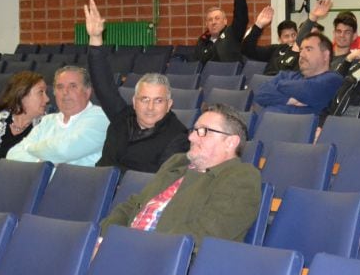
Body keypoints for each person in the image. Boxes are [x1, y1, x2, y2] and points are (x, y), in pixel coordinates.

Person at [101, 104, 261, 249]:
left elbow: (205, 233)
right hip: (124, 247)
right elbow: (133, 205)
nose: (191, 137)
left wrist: (136, 245)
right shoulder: (177, 163)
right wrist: (103, 238)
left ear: (230, 142)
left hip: (167, 261)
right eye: (194, 130)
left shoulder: (241, 177)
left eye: (203, 131)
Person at [85, 0, 190, 173]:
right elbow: (103, 85)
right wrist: (95, 39)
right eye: (144, 99)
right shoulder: (122, 117)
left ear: (169, 104)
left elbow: (160, 184)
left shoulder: (177, 137)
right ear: (134, 101)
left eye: (158, 101)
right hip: (96, 190)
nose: (150, 107)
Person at [6, 66, 109, 166]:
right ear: (54, 92)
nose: (65, 92)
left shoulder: (100, 117)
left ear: (87, 92)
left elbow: (66, 150)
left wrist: (29, 148)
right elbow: (12, 155)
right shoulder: (47, 121)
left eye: (73, 86)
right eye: (60, 87)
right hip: (38, 182)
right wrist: (41, 162)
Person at [254, 34, 344, 115]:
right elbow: (260, 93)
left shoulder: (333, 79)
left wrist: (279, 84)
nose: (302, 54)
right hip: (267, 127)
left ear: (325, 55)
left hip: (297, 130)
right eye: (301, 50)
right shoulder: (287, 75)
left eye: (308, 49)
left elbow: (307, 90)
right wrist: (289, 100)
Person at [194, 0, 250, 64]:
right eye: (210, 20)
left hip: (230, 77)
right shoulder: (202, 41)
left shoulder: (232, 33)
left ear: (225, 21)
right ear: (206, 24)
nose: (213, 22)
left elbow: (241, 16)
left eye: (217, 18)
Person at [241, 6, 300, 74]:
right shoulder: (274, 49)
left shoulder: (303, 51)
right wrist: (258, 26)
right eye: (286, 36)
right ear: (279, 39)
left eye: (293, 35)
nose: (291, 39)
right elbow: (246, 50)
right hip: (269, 80)